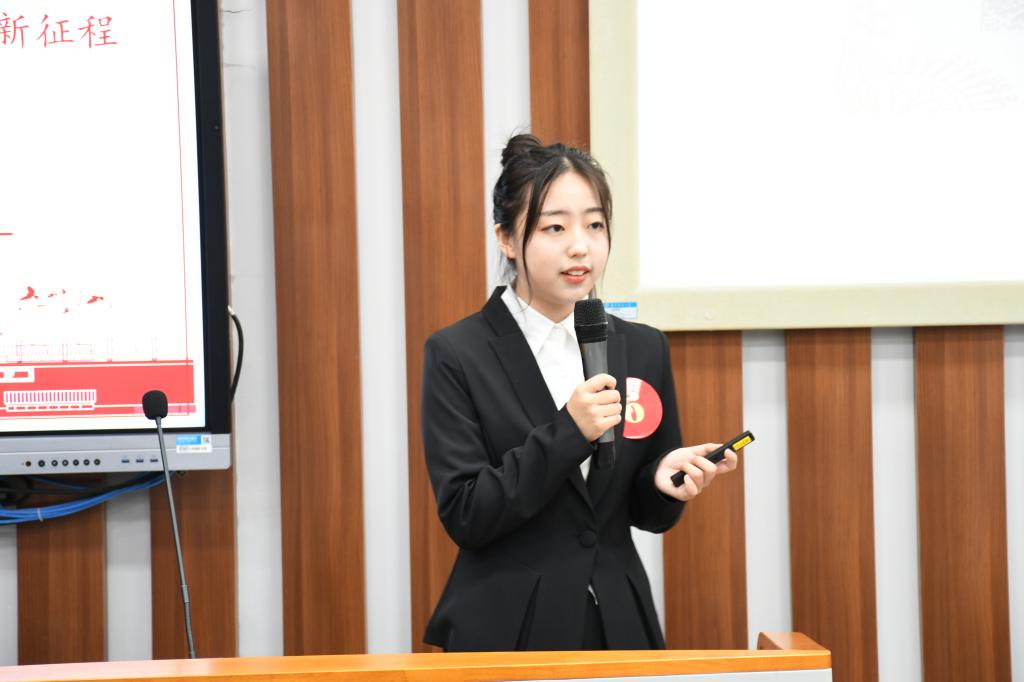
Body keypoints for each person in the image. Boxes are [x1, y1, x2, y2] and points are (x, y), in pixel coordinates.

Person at [420, 134, 738, 652]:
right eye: (555, 227)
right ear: (506, 238)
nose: (580, 246)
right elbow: (467, 514)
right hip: (510, 627)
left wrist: (663, 483)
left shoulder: (643, 346)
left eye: (594, 225)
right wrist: (569, 431)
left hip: (618, 623)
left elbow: (645, 514)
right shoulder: (457, 353)